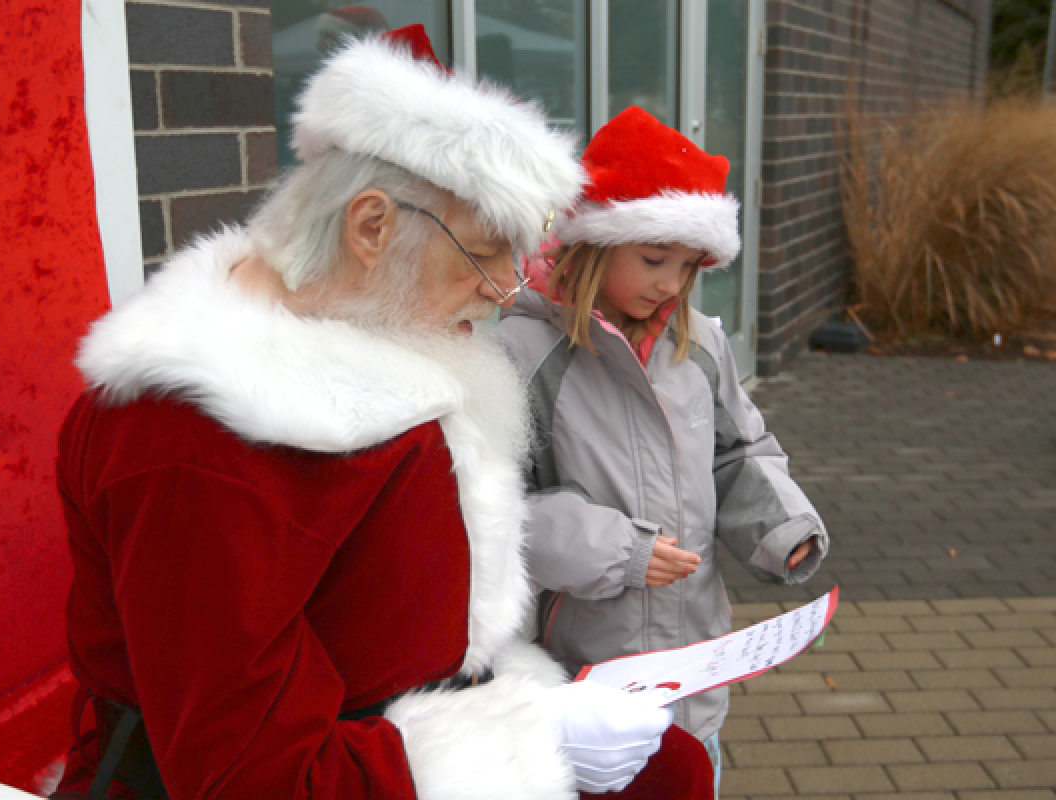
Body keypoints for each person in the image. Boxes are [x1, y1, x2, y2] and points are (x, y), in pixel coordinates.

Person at [52, 32, 716, 800]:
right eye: (485, 252)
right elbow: (253, 778)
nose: (507, 291)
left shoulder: (376, 336)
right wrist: (531, 737)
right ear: (371, 228)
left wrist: (535, 703)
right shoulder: (196, 444)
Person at [494, 106, 830, 792]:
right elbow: (497, 507)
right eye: (653, 260)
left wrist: (781, 527)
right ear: (593, 244)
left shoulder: (700, 342)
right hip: (585, 676)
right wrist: (622, 550)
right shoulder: (521, 352)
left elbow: (739, 451)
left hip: (695, 666)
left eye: (688, 266)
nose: (671, 285)